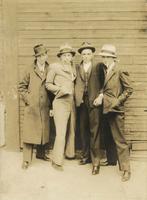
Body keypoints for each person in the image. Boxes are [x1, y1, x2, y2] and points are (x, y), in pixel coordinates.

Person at [95, 44, 133, 181]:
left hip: (116, 109)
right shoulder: (106, 70)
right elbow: (105, 88)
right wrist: (100, 96)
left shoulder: (120, 69)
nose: (104, 59)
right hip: (106, 108)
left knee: (120, 140)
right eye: (103, 57)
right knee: (108, 136)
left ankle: (126, 169)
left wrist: (117, 102)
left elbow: (129, 89)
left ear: (113, 58)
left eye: (107, 57)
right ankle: (111, 161)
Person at [18, 44, 51, 169]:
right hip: (32, 107)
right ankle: (26, 159)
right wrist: (29, 100)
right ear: (36, 57)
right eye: (39, 56)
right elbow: (21, 87)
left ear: (47, 55)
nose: (42, 57)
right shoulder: (29, 69)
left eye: (44, 55)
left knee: (43, 131)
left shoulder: (49, 68)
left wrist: (51, 105)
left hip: (45, 106)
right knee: (29, 133)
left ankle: (41, 154)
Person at [45, 44, 76, 171]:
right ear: (60, 57)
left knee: (71, 130)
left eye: (69, 55)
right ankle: (56, 161)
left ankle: (69, 154)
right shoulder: (54, 67)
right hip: (60, 102)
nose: (66, 58)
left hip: (71, 102)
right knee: (61, 132)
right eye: (64, 55)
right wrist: (60, 89)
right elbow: (48, 84)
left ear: (71, 57)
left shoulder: (73, 68)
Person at [74, 42, 103, 175]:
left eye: (88, 54)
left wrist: (100, 96)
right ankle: (85, 157)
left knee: (94, 131)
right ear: (81, 55)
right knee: (82, 129)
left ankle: (95, 162)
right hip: (81, 102)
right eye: (84, 54)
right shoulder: (77, 67)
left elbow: (104, 83)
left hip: (94, 102)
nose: (86, 56)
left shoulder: (98, 66)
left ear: (92, 55)